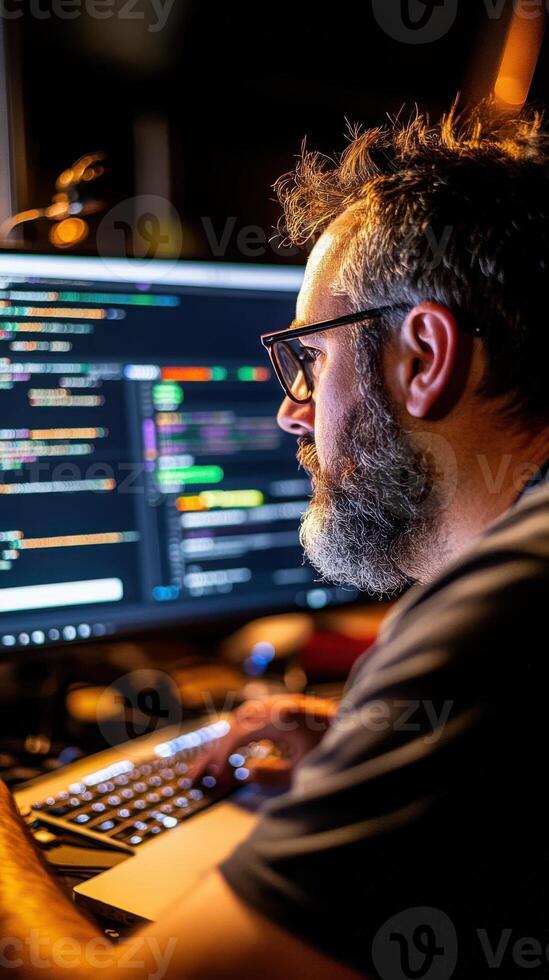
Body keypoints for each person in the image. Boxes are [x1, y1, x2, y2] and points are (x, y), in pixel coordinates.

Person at [2, 101, 549, 979]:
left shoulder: (504, 609)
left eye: (310, 361)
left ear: (424, 356)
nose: (292, 410)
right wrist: (384, 748)